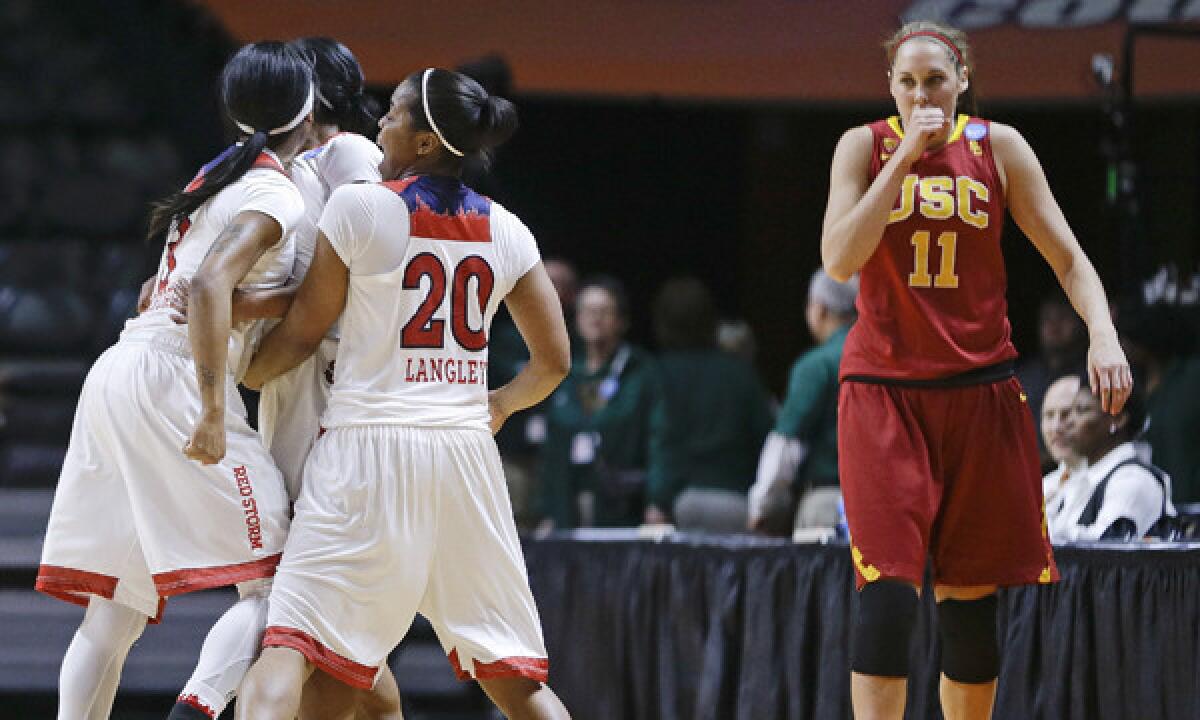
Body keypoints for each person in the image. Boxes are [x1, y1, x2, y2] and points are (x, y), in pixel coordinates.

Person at [234, 67, 572, 720]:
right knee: (513, 680)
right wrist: (499, 404)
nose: (380, 123)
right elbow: (554, 362)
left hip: (367, 452)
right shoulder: (508, 229)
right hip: (465, 458)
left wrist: (250, 374)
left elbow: (304, 332)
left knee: (289, 647)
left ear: (423, 142)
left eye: (392, 113)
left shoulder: (360, 208)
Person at [820, 21, 1132, 720]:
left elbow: (1071, 260)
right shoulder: (864, 147)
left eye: (936, 79)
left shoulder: (1001, 148)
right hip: (884, 394)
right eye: (907, 81)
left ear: (962, 80)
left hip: (981, 393)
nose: (922, 93)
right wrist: (905, 158)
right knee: (890, 596)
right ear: (891, 88)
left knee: (969, 608)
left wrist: (1103, 334)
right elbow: (839, 259)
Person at [36, 43, 311, 720]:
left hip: (120, 370)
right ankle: (200, 707)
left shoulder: (214, 178)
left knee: (114, 610)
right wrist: (215, 409)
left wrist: (274, 302)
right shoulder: (276, 191)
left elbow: (175, 285)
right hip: (175, 382)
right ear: (306, 112)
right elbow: (214, 282)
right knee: (283, 585)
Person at [646, 276, 772, 532]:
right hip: (737, 501)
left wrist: (658, 499)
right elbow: (767, 436)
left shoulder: (659, 373)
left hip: (682, 502)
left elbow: (663, 439)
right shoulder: (740, 373)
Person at [536, 276, 663, 529]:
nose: (595, 318)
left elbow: (660, 439)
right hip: (569, 503)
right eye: (588, 310)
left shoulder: (641, 372)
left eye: (604, 311)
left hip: (621, 507)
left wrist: (658, 500)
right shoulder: (564, 373)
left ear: (621, 321)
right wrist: (546, 509)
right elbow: (551, 448)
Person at [748, 269, 857, 535]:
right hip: (880, 507)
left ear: (819, 309)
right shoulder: (883, 358)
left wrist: (761, 507)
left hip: (827, 506)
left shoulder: (816, 366)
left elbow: (786, 444)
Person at [1046, 371, 1171, 542]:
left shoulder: (1132, 479)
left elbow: (1108, 547)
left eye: (1081, 411)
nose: (1068, 422)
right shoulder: (1076, 479)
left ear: (1117, 419)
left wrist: (1042, 532)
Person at [1040, 373, 1086, 510]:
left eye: (1066, 414)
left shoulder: (1118, 479)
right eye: (1049, 415)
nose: (1056, 427)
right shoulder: (1043, 487)